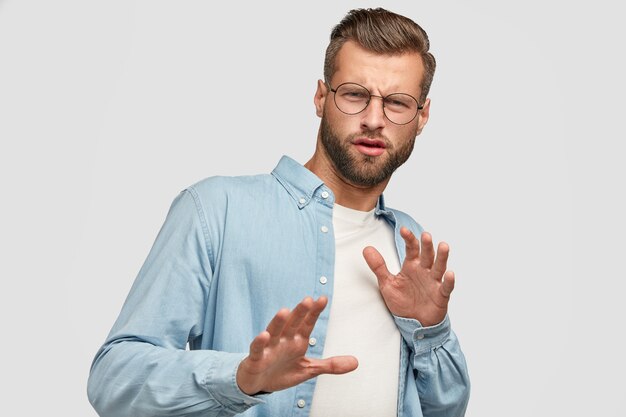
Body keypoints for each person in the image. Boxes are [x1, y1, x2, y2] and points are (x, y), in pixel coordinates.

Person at [88, 7, 470, 417]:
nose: (374, 120)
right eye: (355, 95)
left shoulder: (408, 241)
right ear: (321, 98)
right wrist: (240, 378)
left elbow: (444, 410)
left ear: (422, 116)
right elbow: (113, 378)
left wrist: (432, 333)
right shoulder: (217, 210)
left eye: (397, 102)